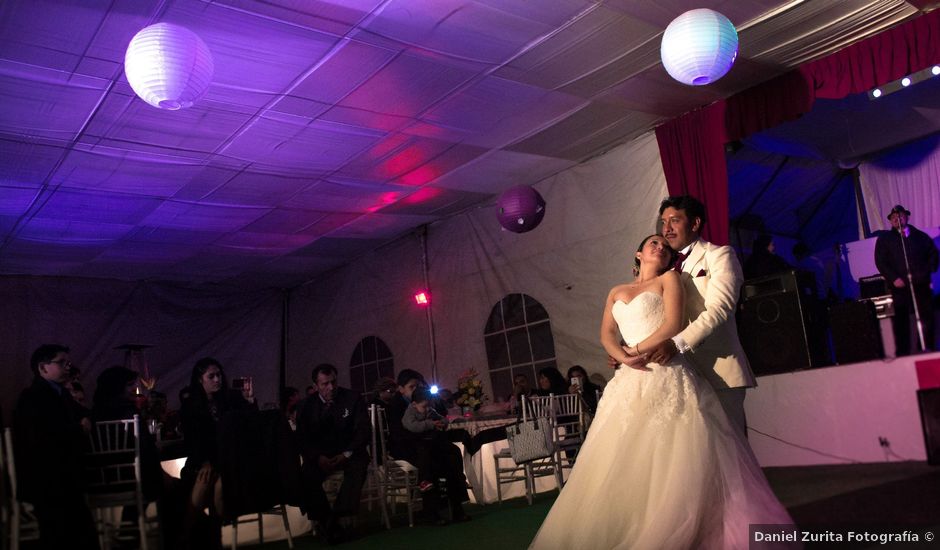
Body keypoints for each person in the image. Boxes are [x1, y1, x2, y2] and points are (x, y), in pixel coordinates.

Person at [530, 235, 793, 549]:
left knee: (675, 452)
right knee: (623, 455)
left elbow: (672, 324)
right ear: (638, 253)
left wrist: (635, 350)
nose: (660, 246)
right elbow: (606, 332)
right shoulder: (616, 291)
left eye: (664, 247)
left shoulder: (671, 279)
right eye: (653, 242)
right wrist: (622, 355)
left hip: (665, 369)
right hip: (629, 378)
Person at [631, 195, 757, 436]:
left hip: (719, 370)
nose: (666, 228)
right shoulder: (668, 269)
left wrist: (676, 345)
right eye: (664, 221)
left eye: (675, 220)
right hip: (681, 375)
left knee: (731, 450)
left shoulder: (719, 255)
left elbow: (719, 310)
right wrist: (629, 352)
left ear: (695, 223)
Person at [13, 344, 100, 550]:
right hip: (47, 479)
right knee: (64, 532)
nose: (68, 367)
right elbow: (44, 436)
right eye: (62, 363)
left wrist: (84, 420)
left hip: (63, 477)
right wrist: (78, 428)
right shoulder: (33, 397)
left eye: (68, 363)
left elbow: (84, 413)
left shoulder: (60, 393)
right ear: (43, 368)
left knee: (78, 529)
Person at [178, 357, 255, 549]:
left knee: (218, 482)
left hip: (227, 462)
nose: (217, 380)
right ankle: (192, 536)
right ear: (200, 379)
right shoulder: (191, 405)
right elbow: (193, 441)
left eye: (219, 375)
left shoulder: (230, 399)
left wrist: (250, 400)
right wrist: (205, 461)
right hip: (201, 461)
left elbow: (250, 424)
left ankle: (205, 537)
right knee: (208, 479)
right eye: (211, 376)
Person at [296, 364, 370, 544]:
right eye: (325, 384)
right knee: (306, 475)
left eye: (333, 382)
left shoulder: (353, 398)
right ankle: (326, 520)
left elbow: (363, 430)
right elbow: (302, 438)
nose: (331, 387)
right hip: (320, 456)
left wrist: (346, 453)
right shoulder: (306, 406)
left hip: (349, 452)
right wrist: (317, 457)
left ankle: (335, 519)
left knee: (358, 467)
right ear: (316, 386)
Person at [387, 369, 471, 524]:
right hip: (408, 446)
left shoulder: (424, 400)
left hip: (428, 442)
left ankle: (457, 505)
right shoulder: (396, 406)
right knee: (429, 460)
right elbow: (400, 433)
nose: (415, 390)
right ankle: (432, 512)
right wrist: (428, 429)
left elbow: (439, 415)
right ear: (400, 388)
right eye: (411, 387)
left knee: (452, 452)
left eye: (418, 386)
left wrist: (436, 417)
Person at [875, 204, 939, 355]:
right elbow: (881, 262)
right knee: (901, 319)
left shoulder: (920, 237)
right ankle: (902, 351)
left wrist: (926, 273)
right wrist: (894, 278)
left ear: (907, 217)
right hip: (899, 286)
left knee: (926, 315)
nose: (898, 219)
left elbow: (933, 256)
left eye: (901, 216)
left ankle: (926, 346)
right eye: (894, 217)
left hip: (920, 284)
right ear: (891, 221)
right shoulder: (885, 239)